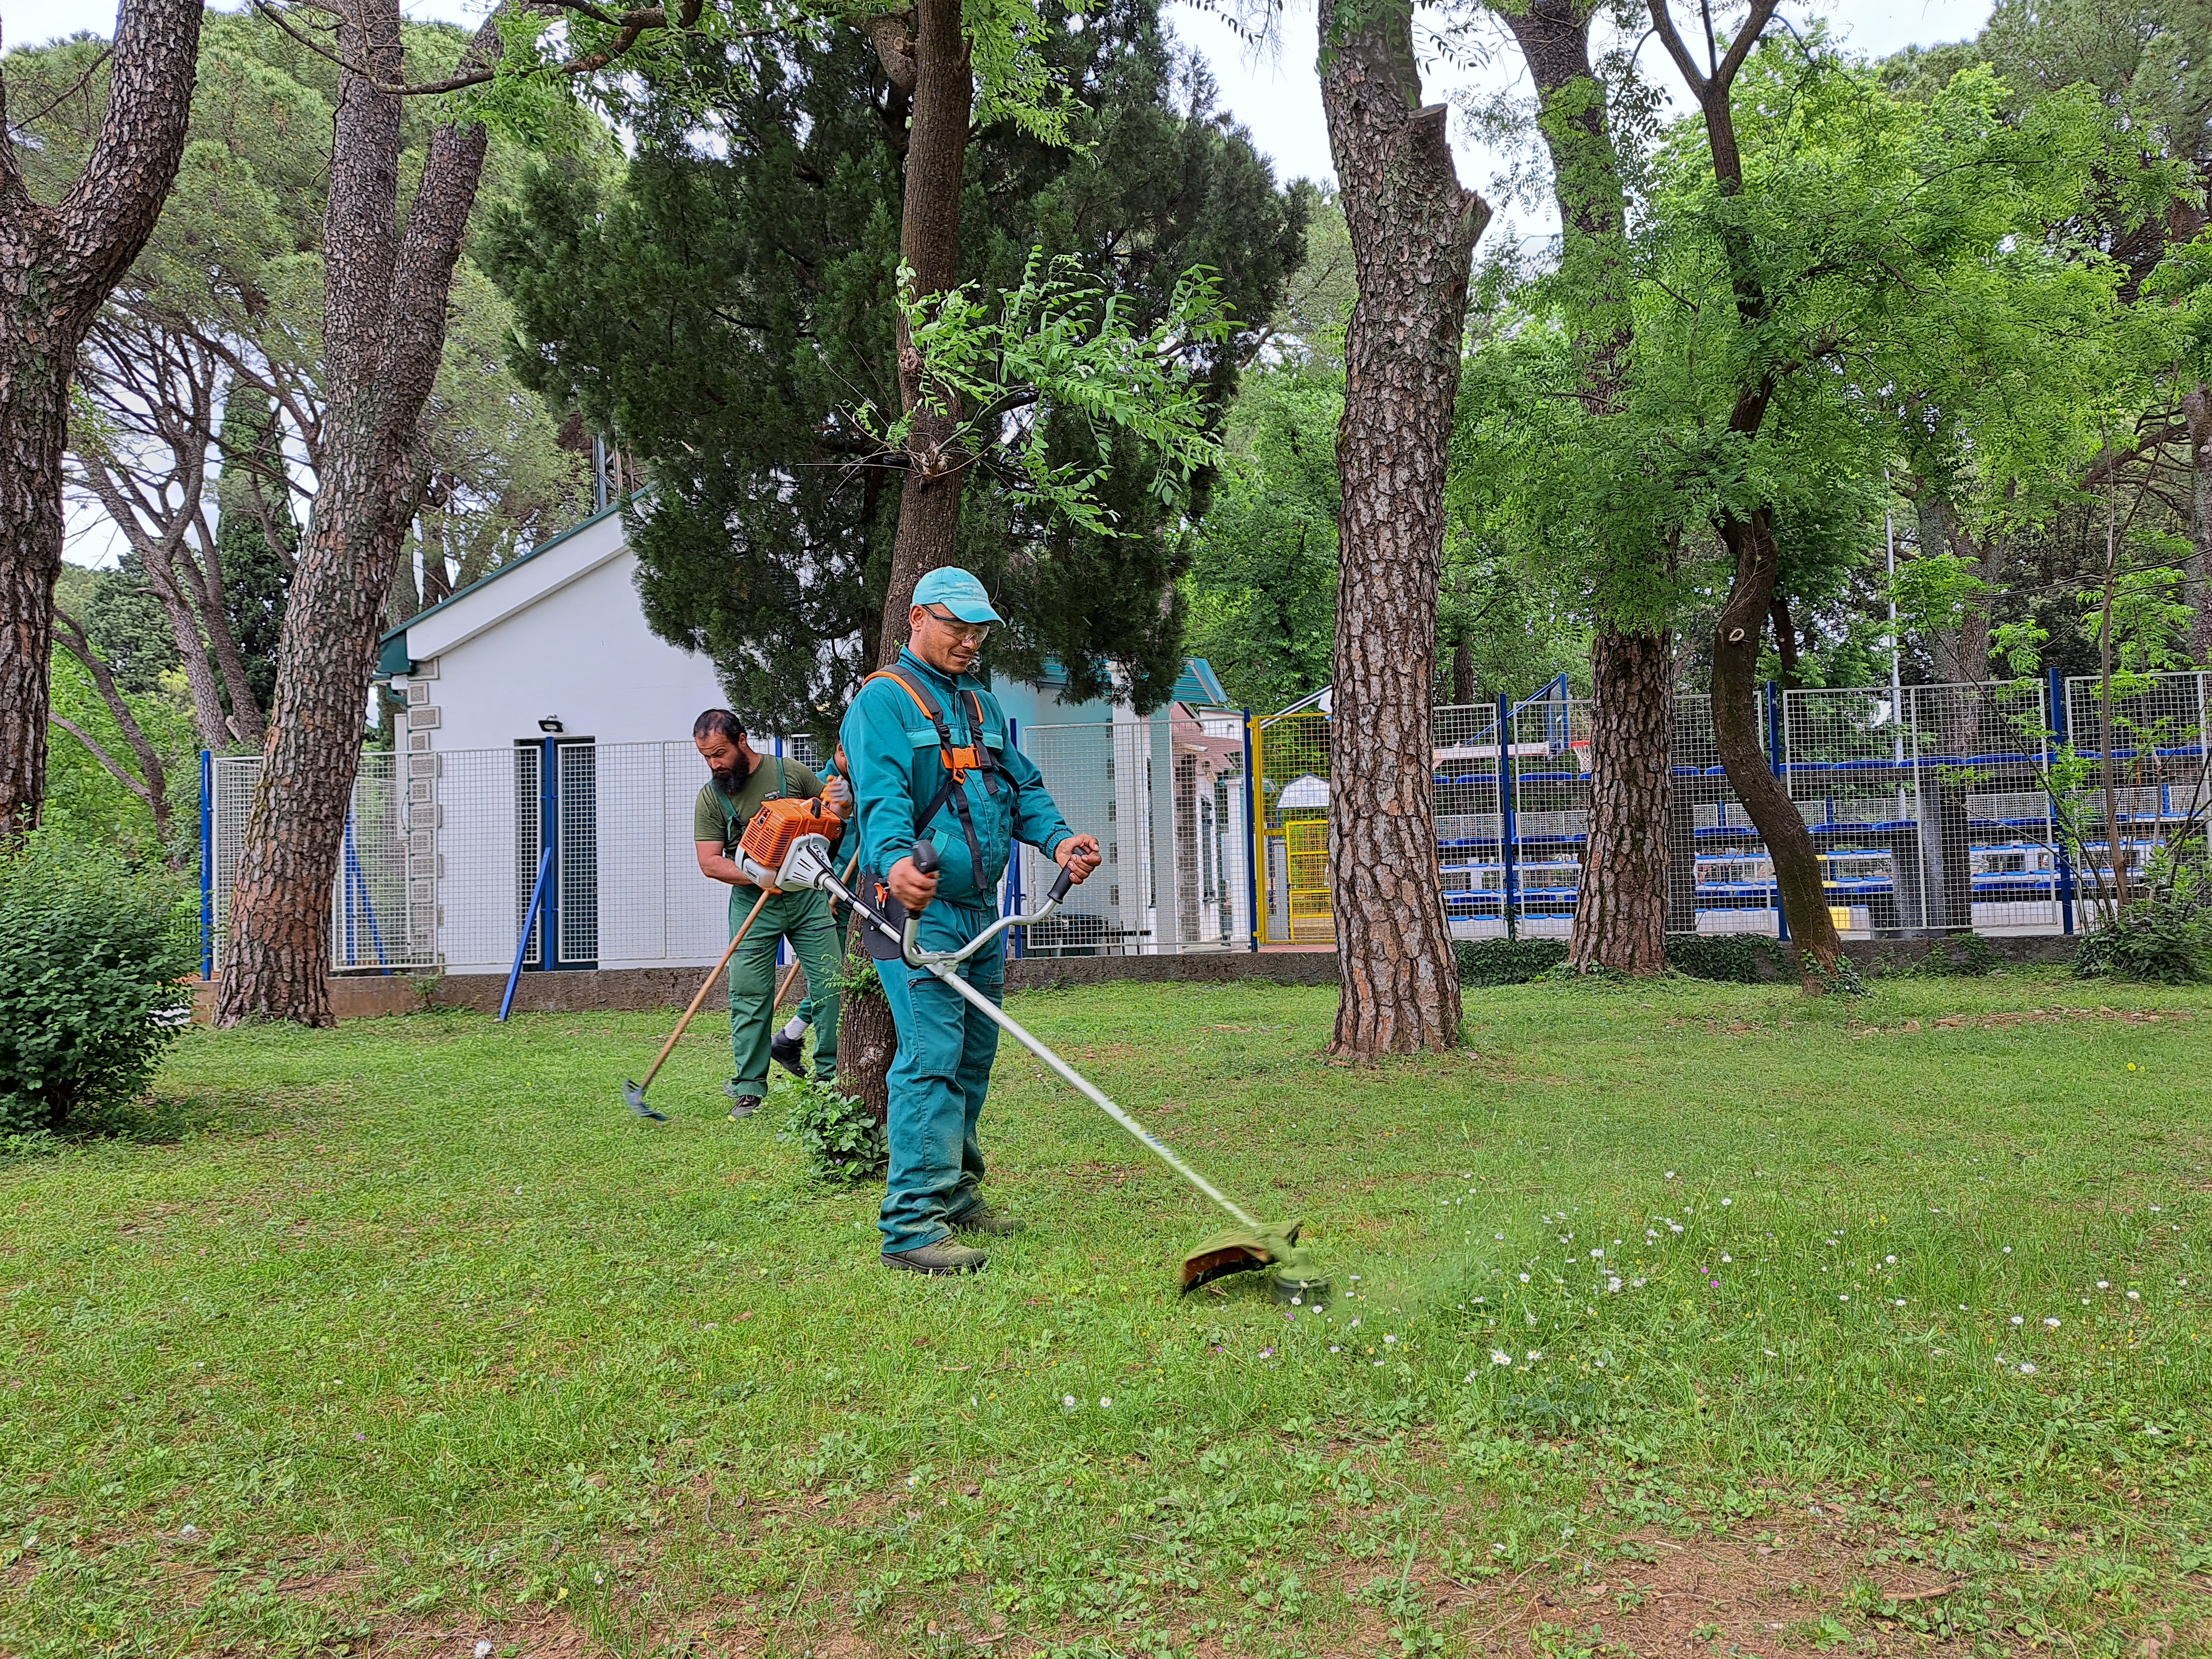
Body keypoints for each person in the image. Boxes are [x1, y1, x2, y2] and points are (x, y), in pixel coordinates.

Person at [841, 568, 1102, 1275]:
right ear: (919, 618)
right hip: (912, 912)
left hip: (979, 910)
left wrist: (1059, 841)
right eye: (957, 625)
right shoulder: (883, 702)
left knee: (973, 1055)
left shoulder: (981, 706)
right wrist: (895, 861)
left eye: (979, 628)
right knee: (930, 1059)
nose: (970, 640)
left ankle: (956, 1196)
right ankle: (909, 1229)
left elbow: (1022, 791)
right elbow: (883, 796)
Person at [691, 709, 850, 1118]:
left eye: (721, 753)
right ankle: (749, 1087)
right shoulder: (712, 798)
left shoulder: (789, 773)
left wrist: (842, 796)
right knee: (749, 994)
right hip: (753, 904)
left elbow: (833, 812)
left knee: (832, 984)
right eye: (707, 757)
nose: (715, 764)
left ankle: (830, 1077)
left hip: (808, 898)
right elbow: (710, 862)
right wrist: (757, 876)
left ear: (742, 740)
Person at [770, 741, 852, 1079]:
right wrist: (819, 898)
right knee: (834, 979)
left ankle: (788, 1037)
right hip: (828, 898)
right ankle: (812, 1057)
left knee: (841, 978)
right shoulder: (817, 789)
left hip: (859, 894)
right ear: (839, 750)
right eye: (852, 752)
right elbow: (800, 855)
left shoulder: (866, 785)